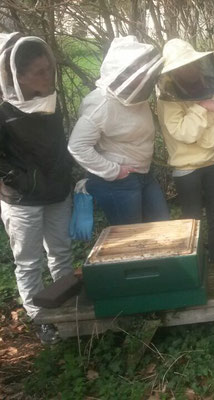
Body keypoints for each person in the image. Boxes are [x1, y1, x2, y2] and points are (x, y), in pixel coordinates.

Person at [0, 33, 73, 344]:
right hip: (23, 200)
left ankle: (69, 305)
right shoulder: (4, 111)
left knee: (61, 252)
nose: (47, 76)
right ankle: (40, 317)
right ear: (18, 76)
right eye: (39, 72)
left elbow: (59, 145)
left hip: (58, 191)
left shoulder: (52, 100)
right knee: (29, 262)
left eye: (48, 68)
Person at [68, 36, 169, 226]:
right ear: (122, 73)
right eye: (139, 72)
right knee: (130, 238)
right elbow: (77, 146)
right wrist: (114, 171)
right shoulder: (101, 105)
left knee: (162, 226)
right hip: (118, 182)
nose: (145, 78)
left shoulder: (137, 97)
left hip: (144, 175)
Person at [156, 39, 214, 262]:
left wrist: (202, 142)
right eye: (182, 66)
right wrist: (201, 109)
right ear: (173, 71)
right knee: (191, 219)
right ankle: (196, 262)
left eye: (191, 63)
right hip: (186, 168)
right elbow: (183, 134)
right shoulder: (167, 99)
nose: (188, 69)